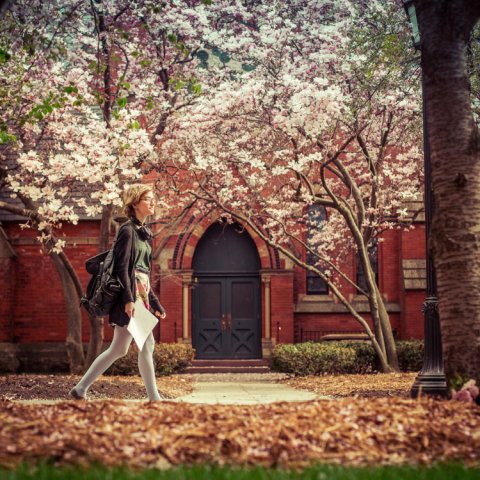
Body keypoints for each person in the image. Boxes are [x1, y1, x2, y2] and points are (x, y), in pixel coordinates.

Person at [70, 184, 166, 401]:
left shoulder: (143, 234)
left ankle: (80, 388)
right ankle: (154, 399)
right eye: (148, 199)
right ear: (134, 203)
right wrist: (129, 299)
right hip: (130, 295)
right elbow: (123, 268)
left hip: (140, 293)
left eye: (153, 199)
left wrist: (156, 303)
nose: (153, 202)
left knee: (119, 349)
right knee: (147, 343)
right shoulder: (127, 230)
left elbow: (142, 273)